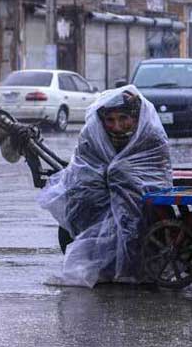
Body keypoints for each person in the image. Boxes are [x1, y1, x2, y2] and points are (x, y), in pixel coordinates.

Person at [38, 85, 172, 287]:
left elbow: (156, 171)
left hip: (139, 195)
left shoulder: (150, 134)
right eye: (110, 120)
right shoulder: (92, 134)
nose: (117, 126)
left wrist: (120, 174)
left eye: (123, 119)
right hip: (98, 192)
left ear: (135, 118)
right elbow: (83, 166)